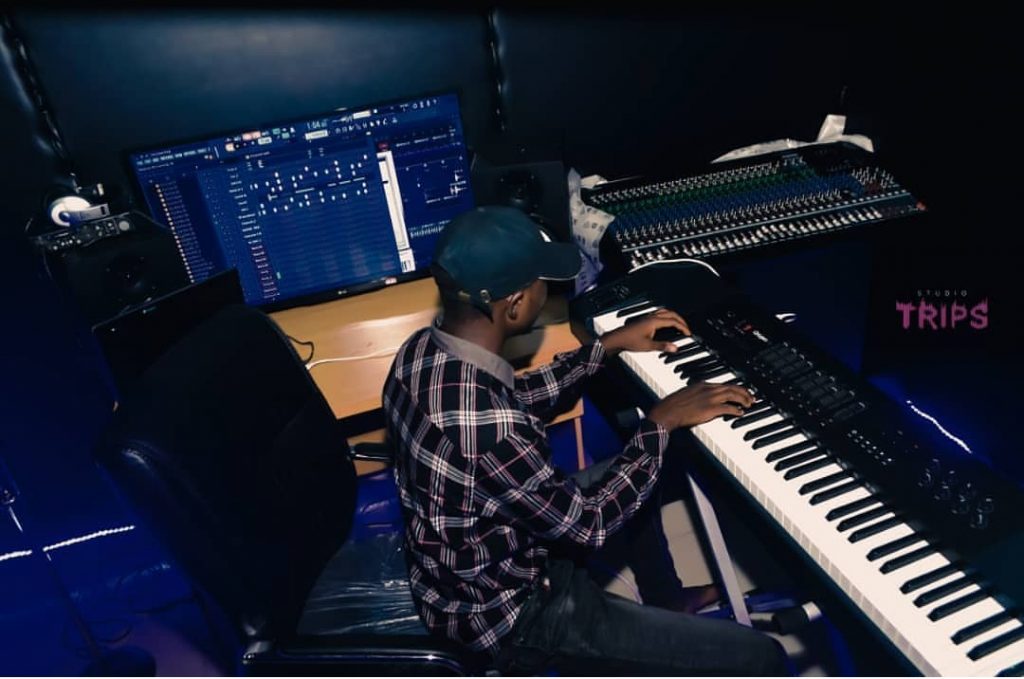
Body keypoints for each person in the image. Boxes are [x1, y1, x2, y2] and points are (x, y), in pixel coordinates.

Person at [383, 206, 789, 675]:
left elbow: (517, 399)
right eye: (543, 283)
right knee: (761, 656)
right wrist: (661, 421)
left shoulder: (420, 351)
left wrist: (606, 346)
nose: (549, 292)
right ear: (515, 305)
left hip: (464, 571)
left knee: (635, 469)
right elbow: (588, 524)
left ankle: (666, 600)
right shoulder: (490, 428)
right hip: (518, 617)